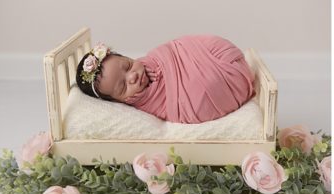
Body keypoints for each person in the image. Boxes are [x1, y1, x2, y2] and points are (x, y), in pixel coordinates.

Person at [75, 36, 254, 124]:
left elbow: (175, 49)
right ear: (117, 101)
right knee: (200, 93)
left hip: (220, 54)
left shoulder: (155, 57)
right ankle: (225, 80)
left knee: (209, 46)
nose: (133, 76)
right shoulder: (148, 104)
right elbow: (177, 109)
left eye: (128, 65)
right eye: (123, 86)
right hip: (222, 84)